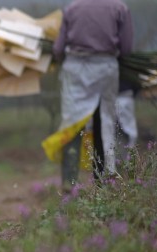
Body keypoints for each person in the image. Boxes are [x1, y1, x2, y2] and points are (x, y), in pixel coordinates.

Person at [43, 0, 134, 190]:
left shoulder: (72, 8)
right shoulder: (119, 8)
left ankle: (69, 181)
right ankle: (102, 181)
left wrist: (58, 56)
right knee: (104, 124)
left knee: (72, 124)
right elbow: (126, 49)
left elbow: (59, 49)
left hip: (76, 70)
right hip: (105, 69)